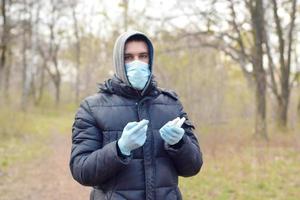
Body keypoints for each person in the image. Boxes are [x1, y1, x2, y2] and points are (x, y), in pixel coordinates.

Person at [69, 30, 203, 200]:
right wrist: (120, 149)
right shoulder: (93, 107)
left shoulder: (171, 105)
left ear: (150, 59)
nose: (137, 62)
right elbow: (82, 171)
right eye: (129, 57)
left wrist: (179, 144)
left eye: (143, 56)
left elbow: (193, 167)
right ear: (119, 61)